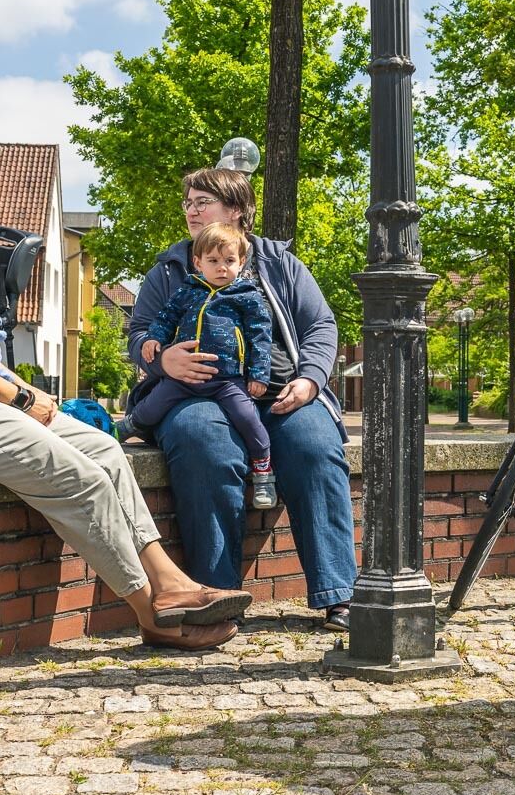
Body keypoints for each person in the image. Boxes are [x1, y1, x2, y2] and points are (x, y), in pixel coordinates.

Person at [0, 118, 251, 651]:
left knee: (105, 450)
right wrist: (21, 397)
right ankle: (152, 613)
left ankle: (169, 581)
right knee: (82, 478)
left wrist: (19, 388)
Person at [128, 167, 358, 631]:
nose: (191, 210)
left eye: (202, 202)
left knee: (315, 447)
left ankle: (339, 595)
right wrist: (162, 361)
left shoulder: (279, 263)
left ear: (236, 210)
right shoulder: (170, 268)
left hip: (280, 392)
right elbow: (139, 332)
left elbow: (320, 326)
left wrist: (311, 380)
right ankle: (218, 595)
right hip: (196, 395)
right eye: (188, 202)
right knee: (201, 441)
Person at [122, 221, 278, 509]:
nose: (222, 268)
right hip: (185, 377)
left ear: (241, 262)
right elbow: (167, 317)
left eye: (229, 261)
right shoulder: (188, 290)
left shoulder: (246, 296)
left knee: (248, 419)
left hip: (227, 379)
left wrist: (259, 374)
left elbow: (260, 336)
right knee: (153, 405)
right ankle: (127, 427)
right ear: (198, 263)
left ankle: (263, 470)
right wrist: (153, 339)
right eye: (213, 261)